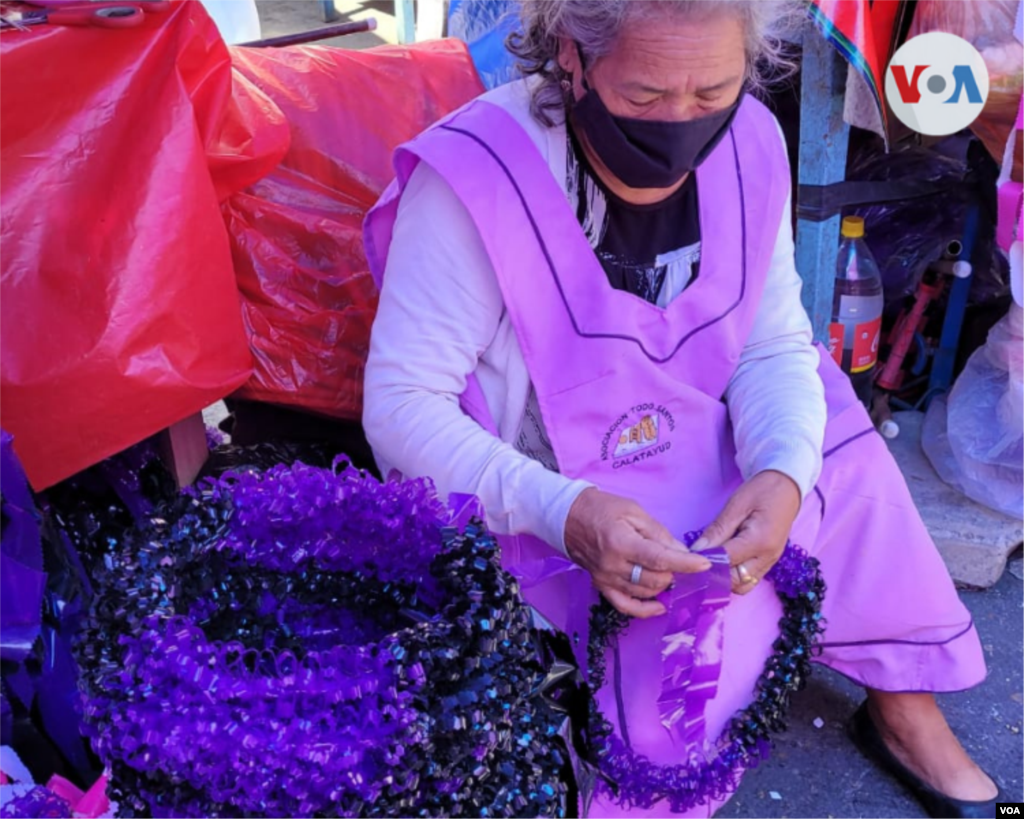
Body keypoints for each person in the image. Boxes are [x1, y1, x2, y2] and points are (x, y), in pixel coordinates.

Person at [361, 0, 1002, 815]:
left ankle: (904, 707)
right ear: (572, 55)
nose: (680, 122)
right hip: (549, 487)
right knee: (659, 701)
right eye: (644, 95)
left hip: (696, 431)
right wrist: (566, 512)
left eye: (712, 92)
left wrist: (783, 473)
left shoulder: (751, 141)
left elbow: (772, 343)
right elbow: (402, 405)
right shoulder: (478, 176)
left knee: (838, 450)